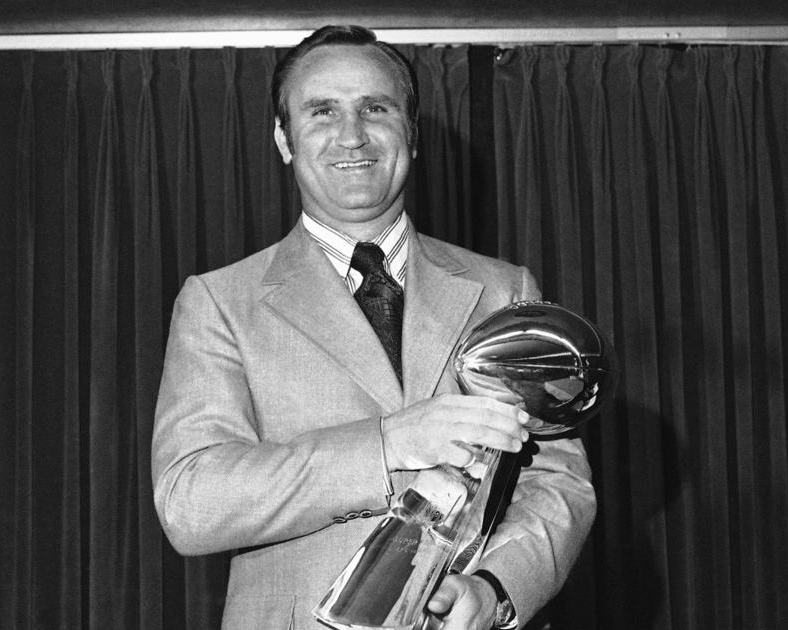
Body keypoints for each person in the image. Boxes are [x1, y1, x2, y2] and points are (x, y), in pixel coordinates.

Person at [151, 25, 595, 630]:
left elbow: (558, 481)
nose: (351, 134)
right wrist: (386, 445)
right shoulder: (219, 302)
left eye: (375, 108)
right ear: (284, 138)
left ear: (410, 131)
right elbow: (191, 503)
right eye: (322, 111)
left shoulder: (504, 290)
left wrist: (494, 589)